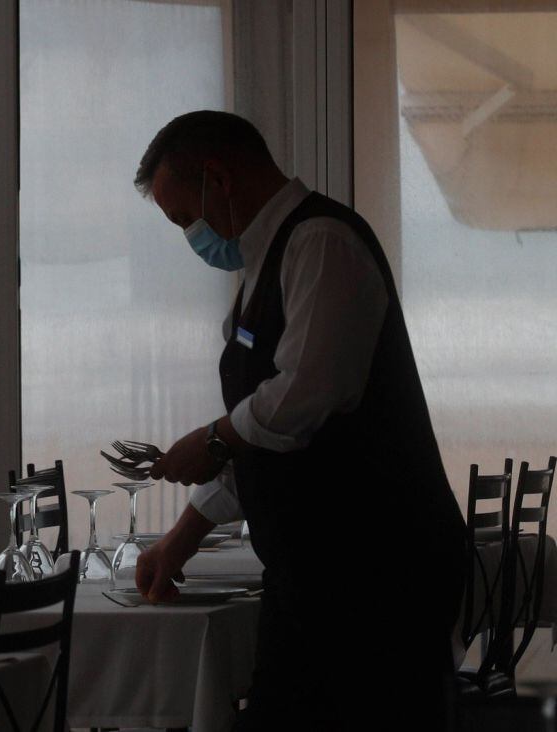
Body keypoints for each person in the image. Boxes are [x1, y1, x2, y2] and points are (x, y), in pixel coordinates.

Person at [131, 111, 466, 731]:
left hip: (376, 574)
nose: (193, 237)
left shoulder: (321, 243)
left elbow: (302, 399)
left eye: (185, 218)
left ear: (218, 179)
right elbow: (266, 440)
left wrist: (211, 438)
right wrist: (181, 539)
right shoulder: (262, 265)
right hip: (315, 576)